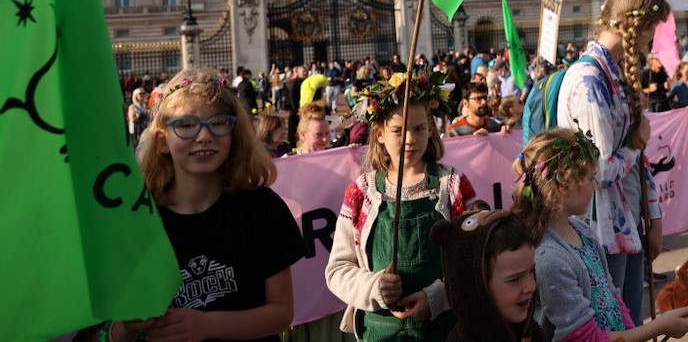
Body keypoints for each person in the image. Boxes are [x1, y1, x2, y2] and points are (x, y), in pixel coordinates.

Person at [118, 68, 304, 341]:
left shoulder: (263, 208)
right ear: (161, 141)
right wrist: (126, 326)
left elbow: (281, 312)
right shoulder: (140, 220)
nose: (203, 136)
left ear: (234, 133)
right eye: (185, 125)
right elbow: (107, 328)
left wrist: (206, 325)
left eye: (217, 123)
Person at [325, 71, 476, 339]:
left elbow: (476, 258)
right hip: (380, 332)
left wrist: (438, 298)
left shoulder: (451, 185)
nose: (409, 139)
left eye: (418, 129)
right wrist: (373, 288)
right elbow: (338, 270)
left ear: (431, 129)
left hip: (444, 329)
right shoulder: (362, 192)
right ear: (380, 134)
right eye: (398, 131)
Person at [515, 128, 688, 341]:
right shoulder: (550, 260)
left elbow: (613, 297)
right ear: (565, 186)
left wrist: (633, 333)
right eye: (591, 179)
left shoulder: (582, 231)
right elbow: (586, 338)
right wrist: (658, 327)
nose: (595, 187)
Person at [556, 0, 668, 324]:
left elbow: (637, 155)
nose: (653, 39)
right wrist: (635, 145)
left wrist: (654, 213)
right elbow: (601, 170)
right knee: (614, 325)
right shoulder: (589, 81)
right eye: (653, 29)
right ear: (639, 25)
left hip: (626, 222)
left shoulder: (613, 74)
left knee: (631, 320)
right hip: (601, 229)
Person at [431, 209, 546, 342]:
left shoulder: (533, 334)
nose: (531, 286)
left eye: (532, 271)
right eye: (515, 279)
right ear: (475, 286)